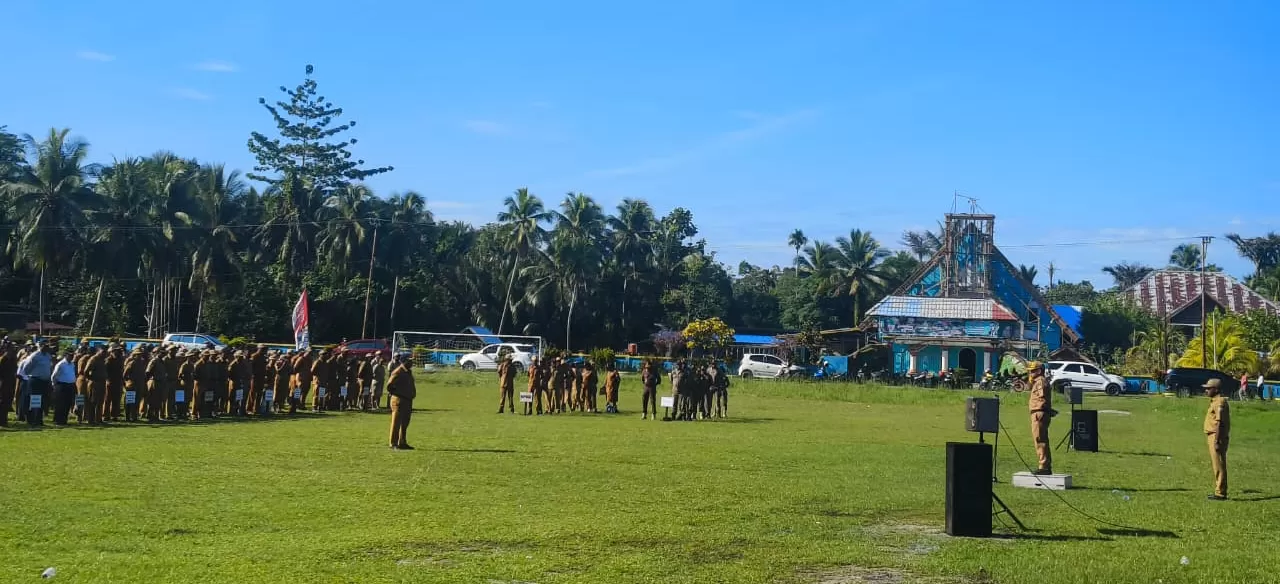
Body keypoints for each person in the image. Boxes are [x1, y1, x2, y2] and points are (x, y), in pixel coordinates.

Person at [1203, 378, 1230, 500]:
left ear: (1216, 389)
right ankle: (1220, 490)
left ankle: (1220, 492)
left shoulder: (1219, 402)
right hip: (1213, 435)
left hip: (1216, 435)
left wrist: (1217, 441)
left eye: (1209, 388)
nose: (1206, 390)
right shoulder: (1214, 401)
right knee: (1217, 464)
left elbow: (1220, 423)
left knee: (1219, 464)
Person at [1027, 361, 1053, 475]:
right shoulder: (1037, 381)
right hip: (1038, 412)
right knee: (1040, 439)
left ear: (1039, 371)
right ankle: (1045, 465)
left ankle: (1044, 466)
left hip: (1039, 412)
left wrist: (1043, 409)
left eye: (1033, 371)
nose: (1030, 373)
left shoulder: (1041, 381)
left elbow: (1042, 397)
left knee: (1040, 439)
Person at [387, 356, 417, 450]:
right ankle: (393, 443)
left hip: (407, 400)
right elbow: (389, 385)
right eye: (410, 361)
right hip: (399, 400)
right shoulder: (398, 372)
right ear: (405, 362)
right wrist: (397, 393)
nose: (412, 363)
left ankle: (402, 442)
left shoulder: (408, 372)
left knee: (405, 423)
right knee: (396, 422)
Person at [51, 352, 78, 426]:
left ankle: (64, 420)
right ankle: (58, 420)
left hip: (70, 385)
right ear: (66, 355)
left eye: (72, 355)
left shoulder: (72, 364)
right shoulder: (61, 364)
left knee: (68, 403)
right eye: (70, 355)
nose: (72, 357)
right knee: (60, 404)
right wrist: (55, 385)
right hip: (61, 385)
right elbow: (54, 376)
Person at [0, 340, 17, 426]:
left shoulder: (13, 359)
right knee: (2, 402)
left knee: (7, 402)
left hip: (11, 383)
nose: (12, 350)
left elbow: (15, 370)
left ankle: (4, 420)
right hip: (3, 383)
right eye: (10, 348)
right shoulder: (3, 359)